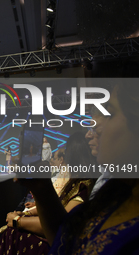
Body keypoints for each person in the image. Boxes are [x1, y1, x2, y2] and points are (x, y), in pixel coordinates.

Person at [22, 83, 139, 255]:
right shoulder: (115, 189)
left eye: (110, 114)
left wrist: (18, 220)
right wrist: (41, 188)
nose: (94, 132)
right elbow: (67, 242)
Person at [0, 132, 96, 255]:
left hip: (61, 243)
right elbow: (58, 206)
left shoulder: (84, 184)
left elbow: (61, 224)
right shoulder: (77, 180)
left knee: (12, 232)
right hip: (57, 234)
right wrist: (26, 213)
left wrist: (17, 220)